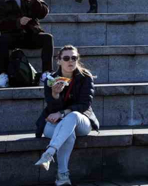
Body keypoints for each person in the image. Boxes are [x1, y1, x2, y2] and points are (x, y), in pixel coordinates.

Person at [34, 45, 100, 186]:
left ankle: (49, 152)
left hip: (81, 121)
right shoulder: (51, 79)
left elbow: (85, 105)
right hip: (56, 123)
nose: (70, 61)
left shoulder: (85, 77)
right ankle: (62, 176)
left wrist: (62, 112)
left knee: (73, 115)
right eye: (66, 58)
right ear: (59, 61)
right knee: (68, 135)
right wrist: (55, 95)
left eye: (74, 58)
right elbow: (51, 109)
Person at [0, 0, 53, 88]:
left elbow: (43, 13)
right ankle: (3, 75)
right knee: (2, 40)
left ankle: (46, 74)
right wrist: (17, 22)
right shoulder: (1, 1)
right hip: (13, 35)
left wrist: (31, 0)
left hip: (31, 34)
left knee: (47, 38)